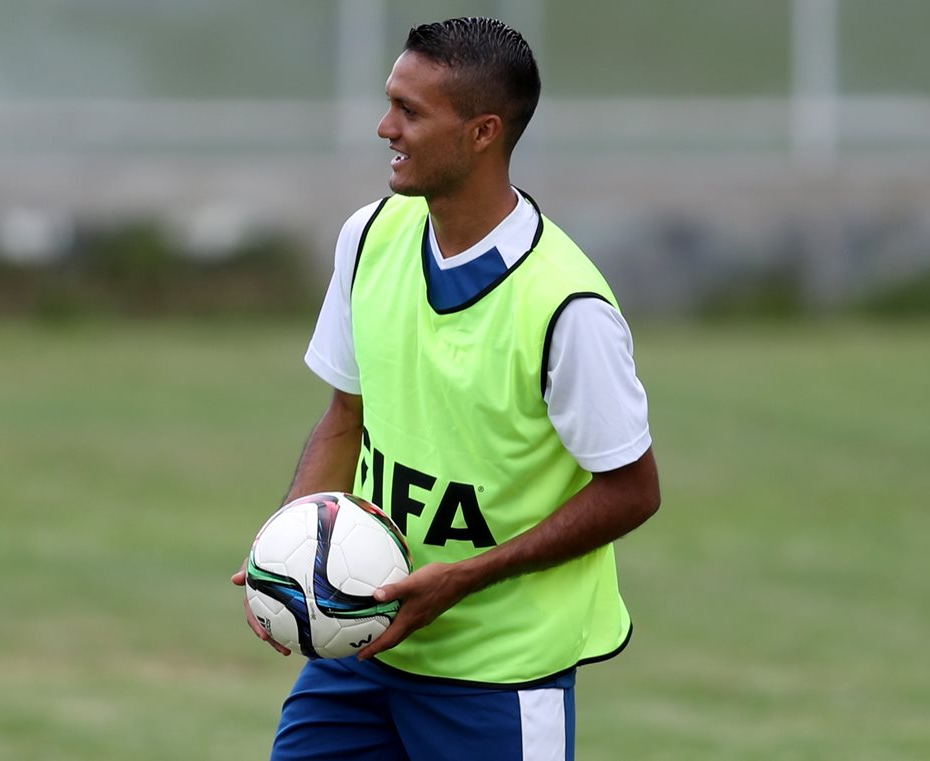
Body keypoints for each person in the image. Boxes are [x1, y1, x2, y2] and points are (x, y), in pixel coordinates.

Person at [231, 16, 660, 761]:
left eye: (410, 111)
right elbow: (345, 413)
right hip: (361, 655)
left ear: (483, 131)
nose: (383, 126)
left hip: (498, 675)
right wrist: (289, 544)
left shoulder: (567, 305)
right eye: (390, 101)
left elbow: (632, 489)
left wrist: (461, 578)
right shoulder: (370, 237)